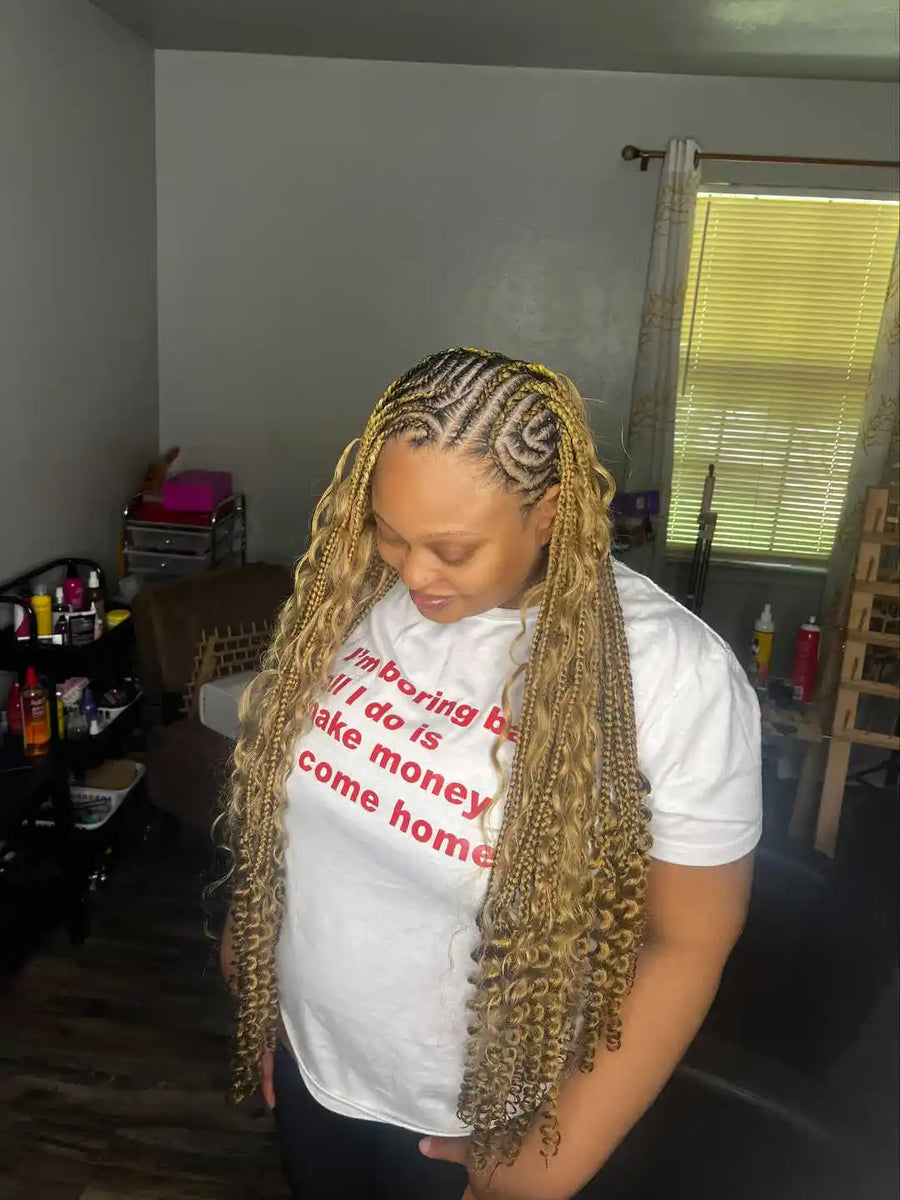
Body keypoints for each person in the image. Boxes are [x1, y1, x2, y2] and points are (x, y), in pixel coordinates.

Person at [219, 348, 761, 1200]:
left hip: (481, 1123)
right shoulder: (352, 596)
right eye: (390, 531)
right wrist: (259, 988)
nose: (412, 572)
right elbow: (285, 824)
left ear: (549, 513)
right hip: (312, 1069)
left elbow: (689, 939)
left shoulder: (669, 671)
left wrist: (546, 1165)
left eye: (452, 548)